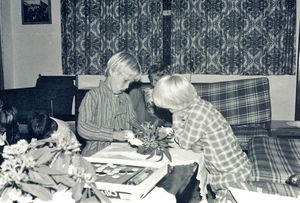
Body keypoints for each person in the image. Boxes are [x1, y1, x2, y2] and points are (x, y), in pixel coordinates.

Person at [152, 74, 253, 203]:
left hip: (232, 175)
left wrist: (175, 118)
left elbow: (184, 142)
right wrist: (193, 143)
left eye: (169, 108)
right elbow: (196, 138)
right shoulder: (199, 106)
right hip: (230, 170)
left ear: (177, 102)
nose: (168, 111)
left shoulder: (198, 113)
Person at [77, 52, 141, 156]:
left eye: (130, 83)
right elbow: (83, 128)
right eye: (125, 80)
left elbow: (133, 124)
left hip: (121, 153)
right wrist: (113, 135)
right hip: (95, 154)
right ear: (112, 71)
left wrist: (145, 133)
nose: (127, 87)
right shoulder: (92, 96)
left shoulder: (126, 99)